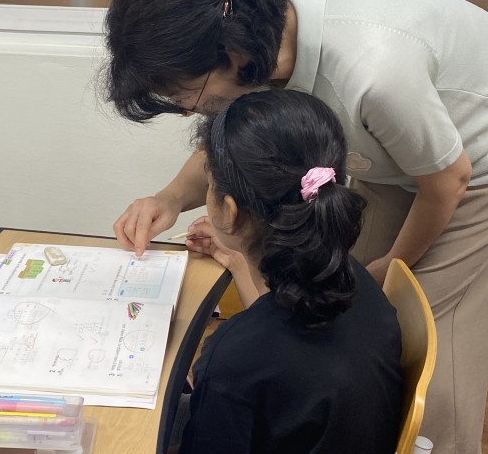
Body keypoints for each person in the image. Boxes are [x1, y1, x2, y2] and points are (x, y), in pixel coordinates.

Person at [103, 0, 488, 453]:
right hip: (401, 154)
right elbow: (232, 141)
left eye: (186, 96)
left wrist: (389, 265)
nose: (189, 110)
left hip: (475, 168)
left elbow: (449, 180)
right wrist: (171, 198)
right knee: (338, 301)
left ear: (234, 58)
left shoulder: (373, 71)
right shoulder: (257, 38)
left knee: (427, 341)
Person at [166, 89, 403, 454]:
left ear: (229, 211)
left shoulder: (235, 358)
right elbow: (280, 331)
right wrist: (236, 260)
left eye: (209, 185)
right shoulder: (352, 279)